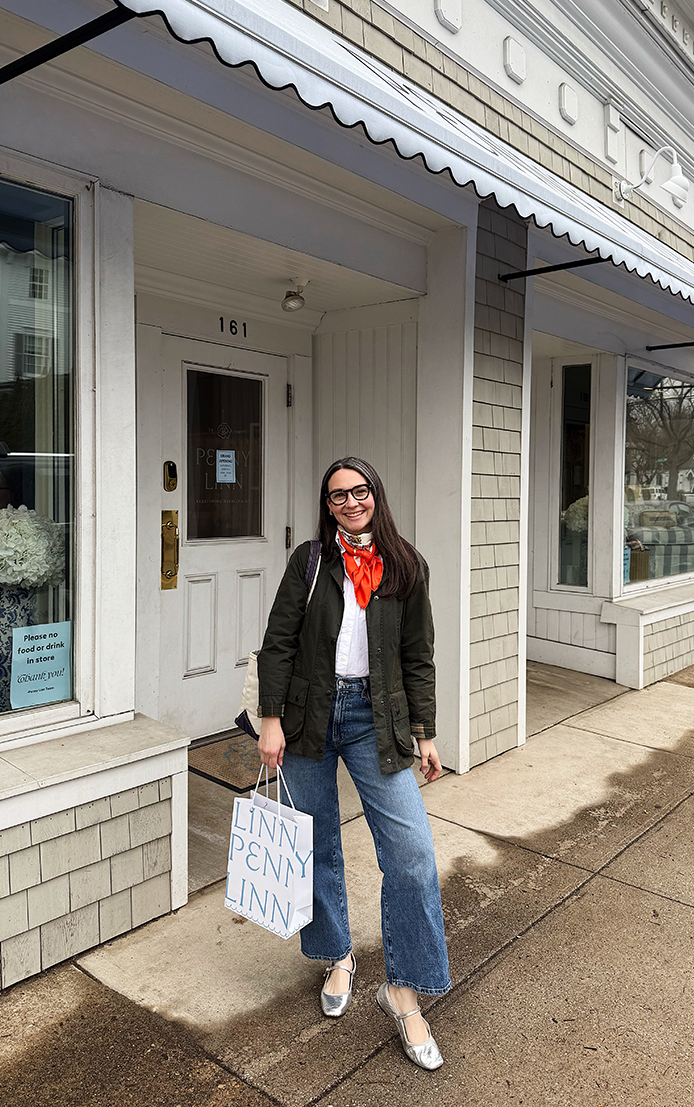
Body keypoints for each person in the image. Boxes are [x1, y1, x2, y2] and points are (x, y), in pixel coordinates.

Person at [257, 457, 450, 1071]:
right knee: (316, 843)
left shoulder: (406, 566)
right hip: (309, 715)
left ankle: (404, 990)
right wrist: (269, 719)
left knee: (412, 854)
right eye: (338, 495)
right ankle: (338, 954)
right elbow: (279, 640)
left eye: (359, 491)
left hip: (377, 718)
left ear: (376, 496)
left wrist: (424, 733)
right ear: (328, 504)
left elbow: (419, 656)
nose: (350, 502)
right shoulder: (310, 562)